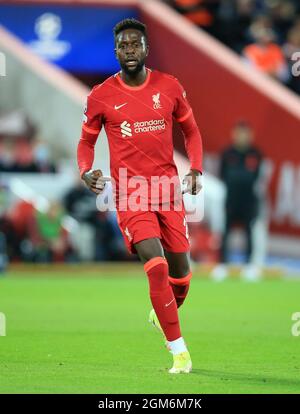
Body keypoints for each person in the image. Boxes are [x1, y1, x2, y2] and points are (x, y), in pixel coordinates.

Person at [77, 18, 203, 373]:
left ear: (146, 48)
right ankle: (179, 350)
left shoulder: (170, 87)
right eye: (123, 45)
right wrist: (86, 170)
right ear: (115, 51)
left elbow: (191, 131)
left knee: (181, 273)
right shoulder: (101, 95)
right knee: (157, 266)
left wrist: (195, 168)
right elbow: (86, 141)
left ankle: (163, 310)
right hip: (131, 194)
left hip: (167, 190)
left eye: (136, 44)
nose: (130, 50)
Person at [213, 121, 263, 280]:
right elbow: (222, 175)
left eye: (245, 133)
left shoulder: (256, 154)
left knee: (249, 232)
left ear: (250, 135)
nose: (242, 136)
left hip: (249, 201)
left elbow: (257, 177)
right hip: (231, 200)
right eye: (239, 133)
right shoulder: (227, 154)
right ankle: (222, 265)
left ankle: (249, 266)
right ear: (234, 134)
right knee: (225, 231)